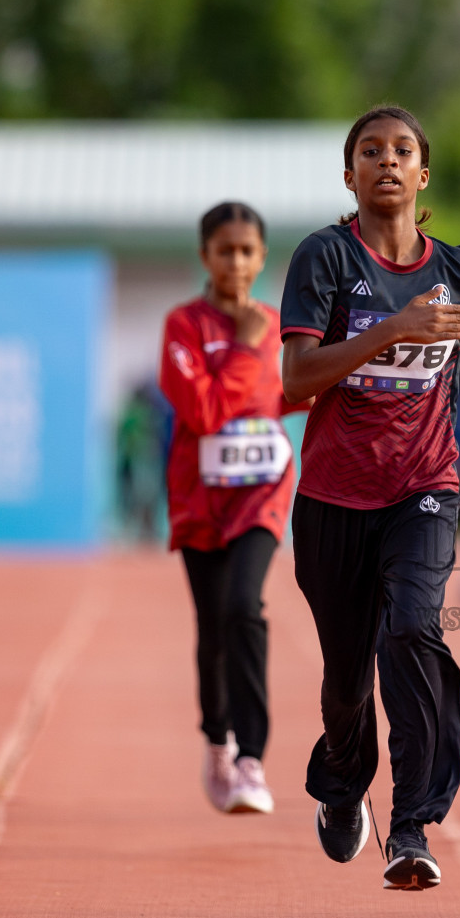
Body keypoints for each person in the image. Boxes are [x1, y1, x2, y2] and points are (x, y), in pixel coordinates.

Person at [280, 105, 460, 891]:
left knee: (414, 631)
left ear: (423, 174)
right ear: (351, 174)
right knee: (343, 684)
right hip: (333, 497)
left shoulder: (457, 266)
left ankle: (413, 824)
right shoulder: (325, 258)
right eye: (371, 151)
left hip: (424, 488)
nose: (387, 162)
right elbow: (297, 380)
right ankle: (340, 778)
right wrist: (394, 328)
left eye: (402, 151)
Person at [160, 201, 300, 815]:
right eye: (225, 250)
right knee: (213, 626)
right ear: (205, 257)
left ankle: (251, 759)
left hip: (262, 495)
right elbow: (203, 412)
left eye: (247, 251)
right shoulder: (184, 326)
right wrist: (243, 354)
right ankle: (216, 740)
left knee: (246, 607)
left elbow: (295, 392)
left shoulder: (279, 327)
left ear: (263, 257)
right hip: (200, 500)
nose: (236, 261)